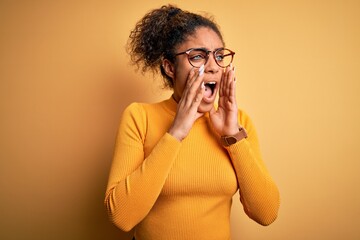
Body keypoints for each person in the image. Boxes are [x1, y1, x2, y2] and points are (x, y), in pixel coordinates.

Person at [104, 4, 280, 240]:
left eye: (219, 56)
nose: (213, 67)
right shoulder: (139, 117)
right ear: (169, 67)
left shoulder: (239, 122)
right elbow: (122, 217)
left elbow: (266, 213)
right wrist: (176, 133)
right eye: (198, 56)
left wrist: (233, 137)